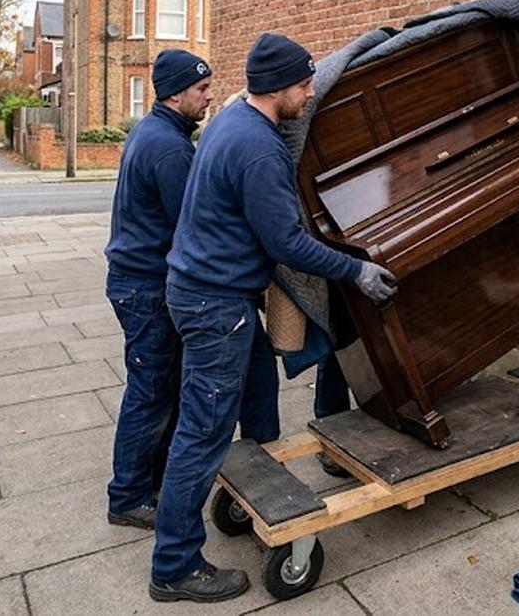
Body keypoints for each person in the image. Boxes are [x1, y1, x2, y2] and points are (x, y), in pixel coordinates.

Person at [149, 32, 398, 604]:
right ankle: (174, 565)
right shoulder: (259, 148)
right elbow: (286, 242)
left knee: (258, 388)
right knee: (202, 430)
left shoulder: (232, 122)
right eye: (305, 85)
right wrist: (355, 272)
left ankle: (253, 489)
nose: (311, 94)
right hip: (215, 303)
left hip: (205, 292)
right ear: (279, 88)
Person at [101, 49, 214, 531]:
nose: (209, 96)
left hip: (136, 281)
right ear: (175, 93)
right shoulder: (169, 149)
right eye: (202, 90)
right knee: (149, 392)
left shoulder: (154, 132)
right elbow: (190, 223)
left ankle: (150, 480)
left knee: (157, 386)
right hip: (144, 287)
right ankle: (128, 495)